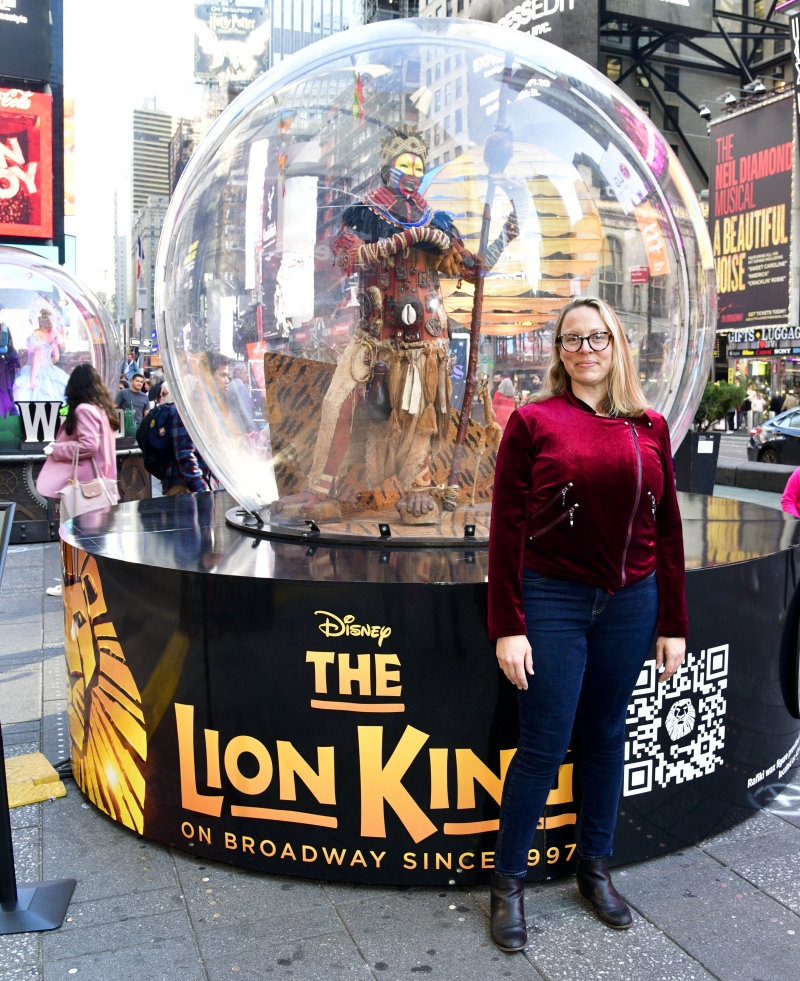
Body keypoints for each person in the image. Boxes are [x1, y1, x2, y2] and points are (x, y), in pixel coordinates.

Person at [487, 295, 687, 951]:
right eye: (572, 339)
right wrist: (508, 624)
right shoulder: (533, 421)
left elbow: (668, 532)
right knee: (543, 744)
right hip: (553, 600)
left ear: (617, 344)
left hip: (631, 604)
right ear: (560, 353)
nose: (585, 348)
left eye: (596, 336)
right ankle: (508, 881)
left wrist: (673, 622)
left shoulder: (650, 425)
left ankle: (593, 866)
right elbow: (507, 530)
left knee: (605, 734)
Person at [36, 363, 120, 596]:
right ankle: (91, 587)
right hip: (100, 485)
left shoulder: (83, 410)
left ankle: (73, 587)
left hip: (84, 488)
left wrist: (56, 449)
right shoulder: (101, 410)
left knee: (75, 539)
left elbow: (89, 446)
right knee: (94, 541)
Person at [158, 385, 215, 496]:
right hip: (183, 487)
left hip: (196, 484)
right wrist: (201, 489)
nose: (226, 381)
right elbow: (184, 454)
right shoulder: (185, 410)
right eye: (223, 375)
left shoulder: (202, 407)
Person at [13, 300, 69, 402]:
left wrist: (33, 379)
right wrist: (47, 365)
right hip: (50, 369)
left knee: (31, 397)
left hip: (33, 370)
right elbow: (56, 358)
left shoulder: (35, 335)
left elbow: (37, 360)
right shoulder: (54, 334)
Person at [227, 361, 256, 435]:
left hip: (233, 422)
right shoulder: (240, 386)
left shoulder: (231, 384)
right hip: (240, 424)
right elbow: (246, 409)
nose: (247, 375)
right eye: (245, 372)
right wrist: (251, 428)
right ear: (239, 374)